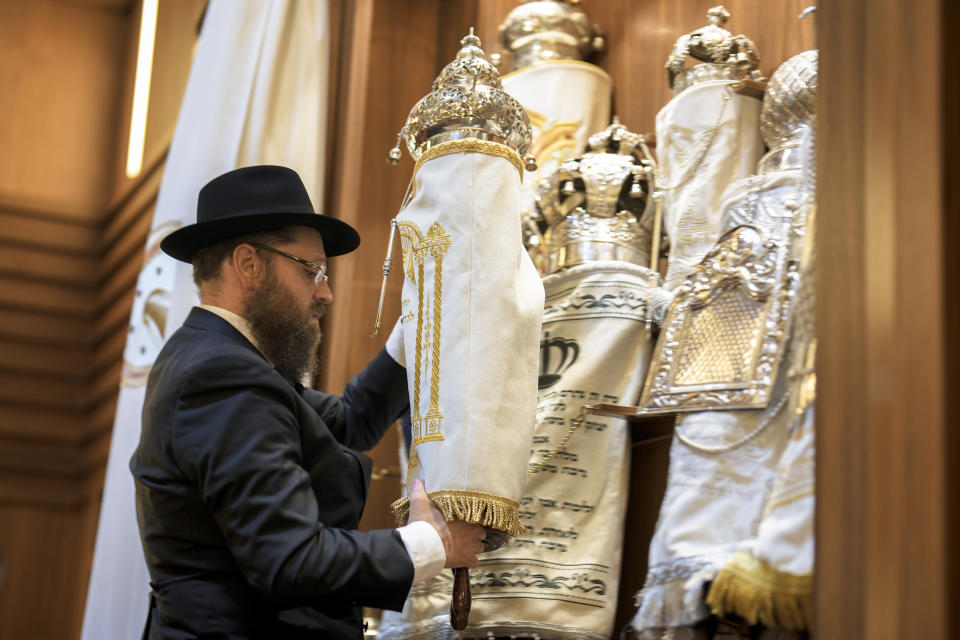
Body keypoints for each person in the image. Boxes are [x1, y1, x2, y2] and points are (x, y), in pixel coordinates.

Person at [130, 165, 485, 639]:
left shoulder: (218, 359)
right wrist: (431, 543)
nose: (327, 292)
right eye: (311, 270)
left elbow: (346, 423)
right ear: (249, 264)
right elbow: (291, 560)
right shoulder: (223, 375)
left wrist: (416, 327)